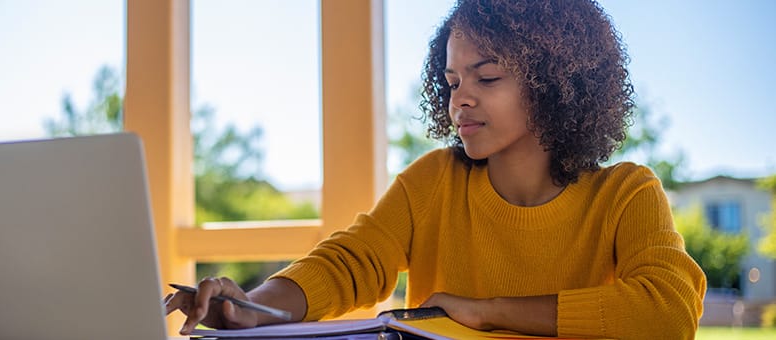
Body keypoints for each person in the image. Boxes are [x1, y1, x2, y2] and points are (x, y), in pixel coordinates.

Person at [163, 0, 707, 338]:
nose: (459, 101)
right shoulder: (433, 183)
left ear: (555, 83)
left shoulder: (626, 194)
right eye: (451, 83)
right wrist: (251, 309)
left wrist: (486, 311)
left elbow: (667, 312)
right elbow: (345, 264)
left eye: (486, 78)